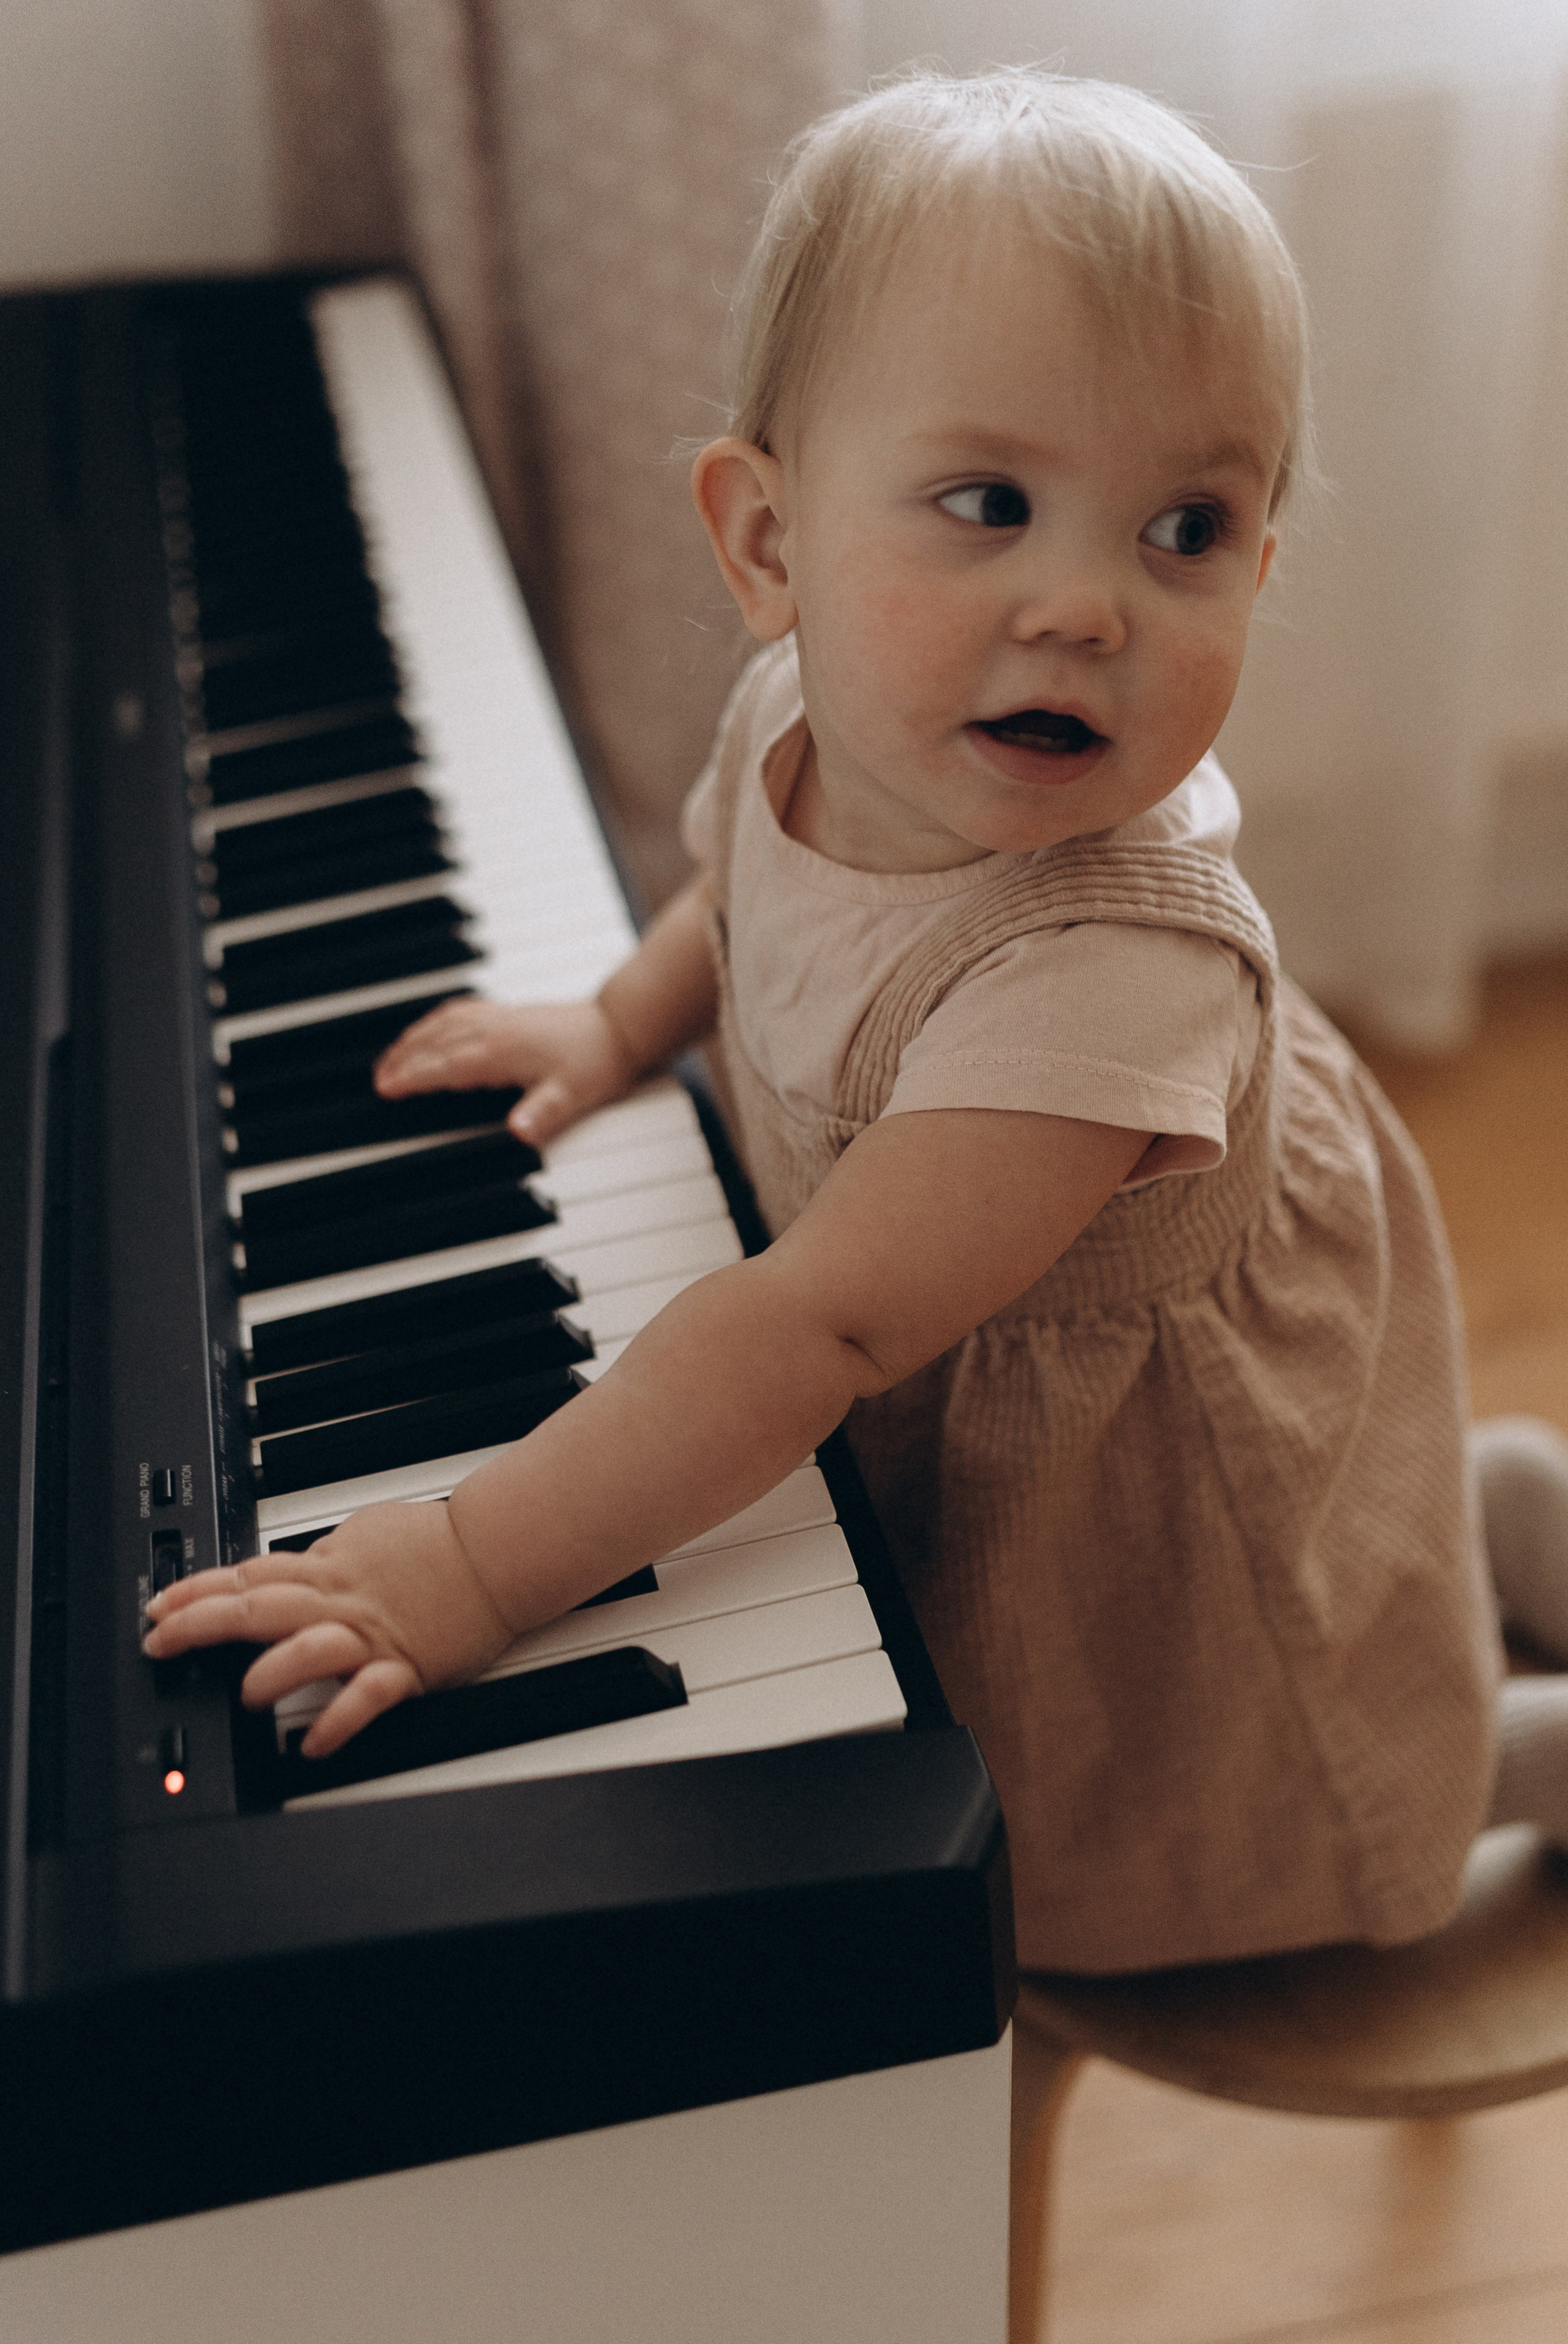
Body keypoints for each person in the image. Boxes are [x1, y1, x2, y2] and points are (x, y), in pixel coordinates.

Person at [147, 70, 1568, 1973]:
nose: (1083, 604)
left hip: (1156, 1451)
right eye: (989, 503)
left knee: (1275, 1745)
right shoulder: (802, 723)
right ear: (769, 546)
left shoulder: (1103, 976)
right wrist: (614, 1018)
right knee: (1369, 1523)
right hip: (1009, 1344)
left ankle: (1514, 1751)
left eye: (1186, 528)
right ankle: (1504, 1510)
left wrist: (478, 1562)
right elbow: (736, 885)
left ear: (1261, 566)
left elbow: (813, 1320)